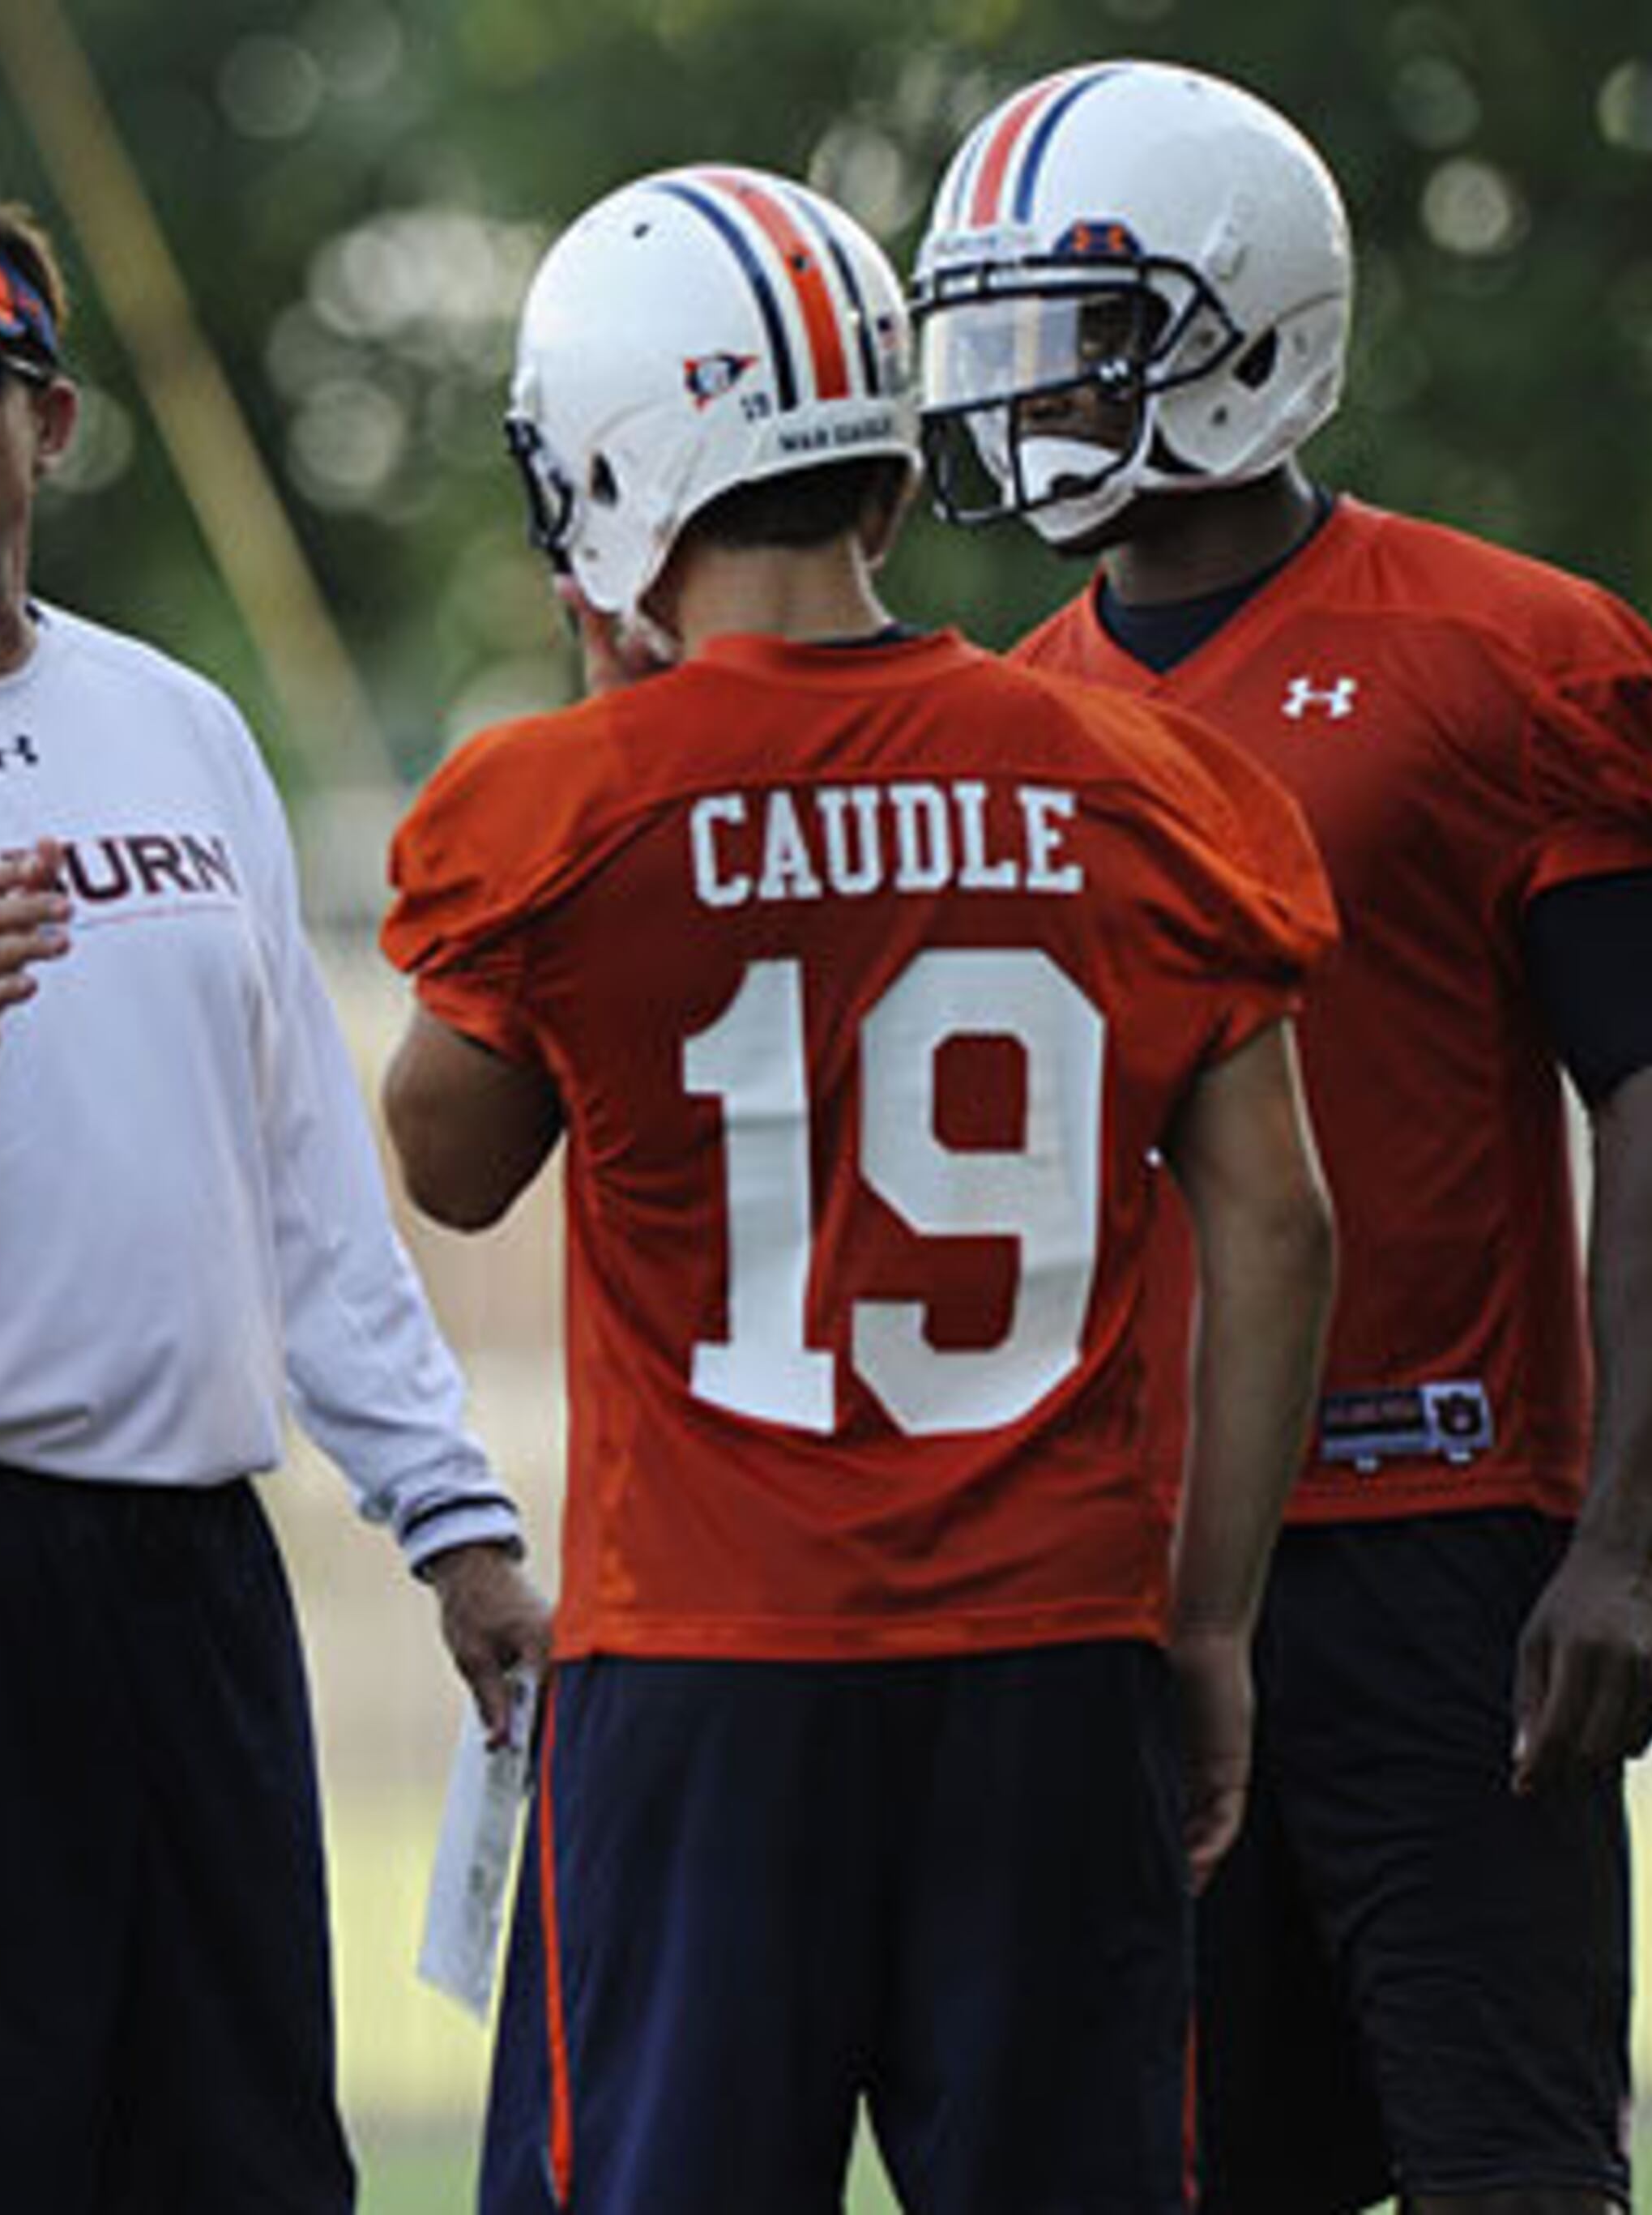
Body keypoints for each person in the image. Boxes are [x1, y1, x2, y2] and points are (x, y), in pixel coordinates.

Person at [378, 163, 1342, 2215]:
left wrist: (605, 725)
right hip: (1052, 1651)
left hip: (709, 1671)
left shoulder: (557, 806)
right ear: (888, 481)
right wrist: (1217, 1615)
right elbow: (1282, 1220)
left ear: (605, 489)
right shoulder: (1143, 782)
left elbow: (449, 1166)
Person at [911, 60, 1652, 2215]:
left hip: (1444, 1533)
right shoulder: (1007, 712)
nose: (1020, 401)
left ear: (1237, 323)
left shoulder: (1513, 655)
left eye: (1071, 339)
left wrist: (1628, 1537)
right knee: (1176, 2170)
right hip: (1132, 1566)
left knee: (1510, 2169)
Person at [0, 188, 552, 2215]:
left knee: (240, 2155)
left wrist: (458, 1520)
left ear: (49, 424)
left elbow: (306, 1180)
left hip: (187, 1577)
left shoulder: (178, 721)